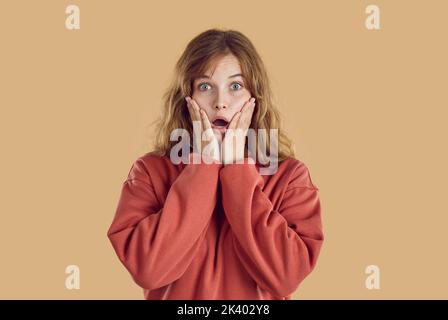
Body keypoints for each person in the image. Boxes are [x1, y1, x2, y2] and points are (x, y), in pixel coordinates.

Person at [107, 28, 324, 300]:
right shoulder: (149, 172)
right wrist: (204, 165)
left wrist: (236, 169)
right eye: (205, 86)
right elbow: (148, 269)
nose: (220, 103)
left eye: (236, 86)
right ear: (187, 98)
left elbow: (285, 277)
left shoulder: (290, 177)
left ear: (254, 98)